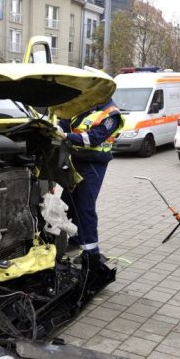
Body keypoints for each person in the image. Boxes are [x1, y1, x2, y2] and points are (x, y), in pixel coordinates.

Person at [57, 99, 125, 259]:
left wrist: (65, 136)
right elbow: (66, 123)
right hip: (75, 161)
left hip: (93, 165)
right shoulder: (83, 106)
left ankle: (91, 253)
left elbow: (93, 138)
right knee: (67, 204)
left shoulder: (111, 114)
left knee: (85, 207)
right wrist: (56, 129)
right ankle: (75, 239)